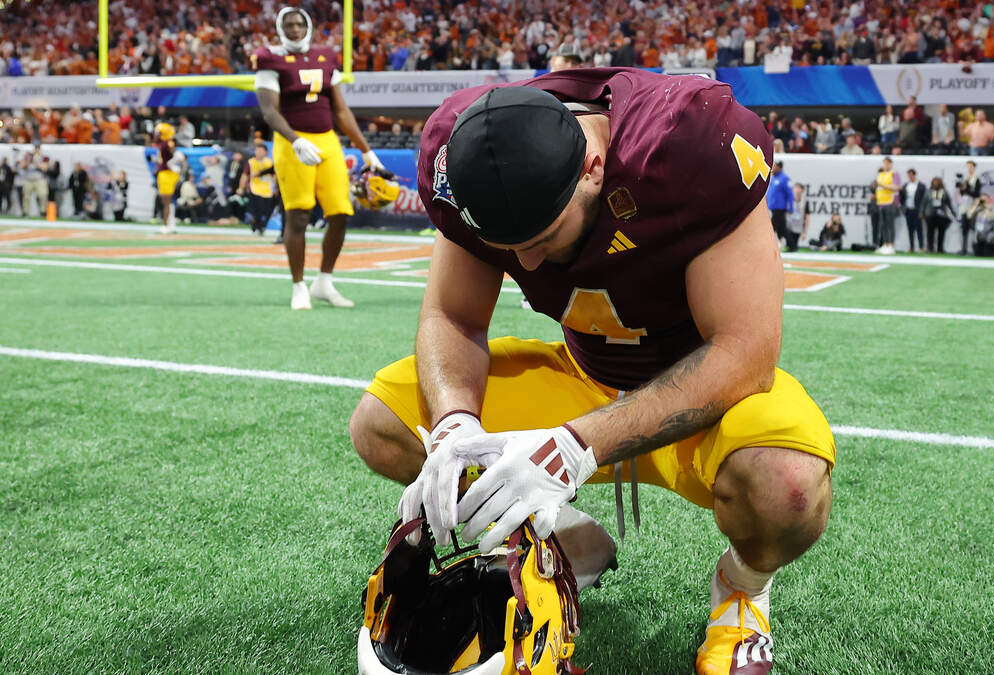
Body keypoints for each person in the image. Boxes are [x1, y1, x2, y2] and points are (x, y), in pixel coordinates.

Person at [348, 71, 835, 675]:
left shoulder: (688, 142)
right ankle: (567, 542)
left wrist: (576, 447)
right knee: (383, 424)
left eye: (543, 236)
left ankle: (743, 590)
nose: (525, 263)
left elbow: (745, 352)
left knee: (787, 484)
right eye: (506, 246)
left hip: (705, 393)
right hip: (583, 374)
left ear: (594, 167)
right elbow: (453, 316)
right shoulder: (463, 150)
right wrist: (453, 423)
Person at [254, 6, 384, 310]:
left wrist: (366, 149)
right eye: (289, 25)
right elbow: (269, 111)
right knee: (298, 214)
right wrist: (295, 140)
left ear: (308, 26)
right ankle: (298, 286)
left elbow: (340, 109)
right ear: (280, 28)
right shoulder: (269, 58)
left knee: (340, 212)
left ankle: (324, 281)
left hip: (327, 140)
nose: (295, 30)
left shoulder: (325, 55)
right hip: (292, 141)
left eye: (300, 24)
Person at [152, 123, 184, 233]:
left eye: (159, 133)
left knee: (166, 201)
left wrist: (172, 163)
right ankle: (171, 223)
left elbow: (178, 155)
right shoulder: (163, 144)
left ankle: (167, 225)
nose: (156, 135)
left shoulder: (168, 143)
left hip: (167, 174)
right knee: (167, 201)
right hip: (164, 173)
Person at [246, 143, 277, 235]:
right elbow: (245, 175)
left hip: (267, 190)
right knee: (256, 210)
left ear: (266, 152)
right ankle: (257, 226)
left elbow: (274, 174)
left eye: (261, 150)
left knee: (266, 210)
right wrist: (242, 186)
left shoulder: (270, 162)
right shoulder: (251, 162)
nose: (258, 152)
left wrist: (275, 187)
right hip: (255, 189)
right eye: (257, 150)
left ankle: (261, 226)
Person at [871, 157, 900, 254]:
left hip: (890, 202)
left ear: (891, 164)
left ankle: (891, 245)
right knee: (883, 225)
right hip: (881, 203)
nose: (885, 165)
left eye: (887, 163)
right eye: (884, 163)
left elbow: (896, 187)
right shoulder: (880, 174)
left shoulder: (894, 174)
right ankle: (885, 244)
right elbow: (878, 188)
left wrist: (882, 185)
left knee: (890, 225)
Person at [921, 176, 956, 254]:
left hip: (941, 215)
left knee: (941, 233)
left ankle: (940, 248)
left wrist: (953, 211)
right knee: (930, 232)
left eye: (937, 182)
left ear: (940, 183)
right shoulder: (928, 191)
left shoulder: (944, 192)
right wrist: (921, 212)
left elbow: (949, 203)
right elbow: (923, 202)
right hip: (930, 214)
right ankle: (930, 248)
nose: (936, 183)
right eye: (934, 182)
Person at [957, 160, 982, 254]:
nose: (969, 168)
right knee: (964, 228)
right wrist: (963, 189)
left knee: (974, 228)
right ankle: (964, 248)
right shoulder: (966, 179)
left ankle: (975, 249)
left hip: (972, 206)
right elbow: (962, 193)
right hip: (965, 205)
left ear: (974, 168)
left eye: (971, 166)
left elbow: (976, 194)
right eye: (968, 167)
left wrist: (967, 189)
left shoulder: (976, 179)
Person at [766, 160, 793, 248]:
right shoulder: (773, 178)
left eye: (775, 166)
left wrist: (791, 207)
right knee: (781, 229)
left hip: (780, 208)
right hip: (773, 207)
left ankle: (767, 245)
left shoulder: (784, 179)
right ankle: (791, 245)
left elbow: (790, 194)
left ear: (779, 167)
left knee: (771, 227)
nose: (773, 168)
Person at [900, 168, 926, 253]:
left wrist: (921, 211)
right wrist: (903, 208)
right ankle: (911, 247)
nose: (910, 177)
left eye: (911, 175)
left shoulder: (921, 186)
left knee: (919, 229)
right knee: (910, 229)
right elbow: (902, 197)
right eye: (908, 175)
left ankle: (921, 247)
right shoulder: (905, 186)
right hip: (908, 210)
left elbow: (924, 200)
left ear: (914, 175)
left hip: (917, 210)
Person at [785, 183, 811, 252]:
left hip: (798, 228)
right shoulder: (788, 200)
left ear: (802, 190)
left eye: (798, 188)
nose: (796, 189)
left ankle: (793, 248)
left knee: (793, 247)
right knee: (791, 244)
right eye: (795, 188)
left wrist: (804, 232)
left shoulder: (805, 202)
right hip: (789, 226)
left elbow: (807, 217)